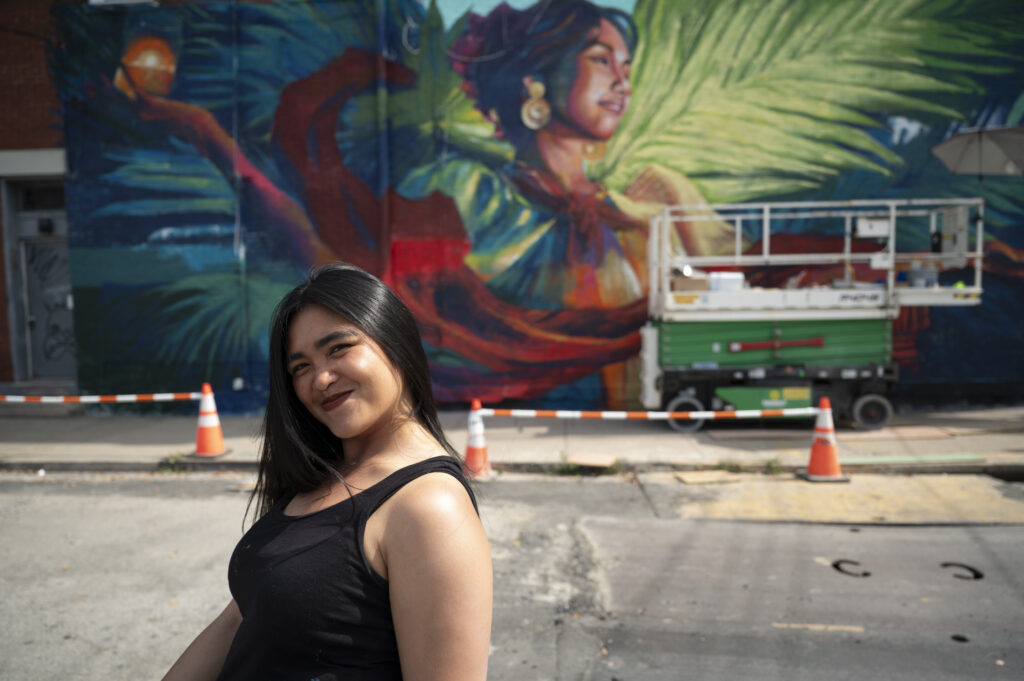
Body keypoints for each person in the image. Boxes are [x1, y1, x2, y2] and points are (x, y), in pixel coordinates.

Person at [115, 0, 732, 407]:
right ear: (533, 81)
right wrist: (211, 136)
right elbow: (340, 269)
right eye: (601, 60)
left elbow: (739, 282)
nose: (624, 80)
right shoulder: (469, 193)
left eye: (627, 64)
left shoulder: (648, 202)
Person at [161, 263, 492, 681]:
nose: (320, 378)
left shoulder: (430, 506)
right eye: (300, 367)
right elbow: (242, 617)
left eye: (338, 348)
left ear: (395, 340)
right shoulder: (322, 473)